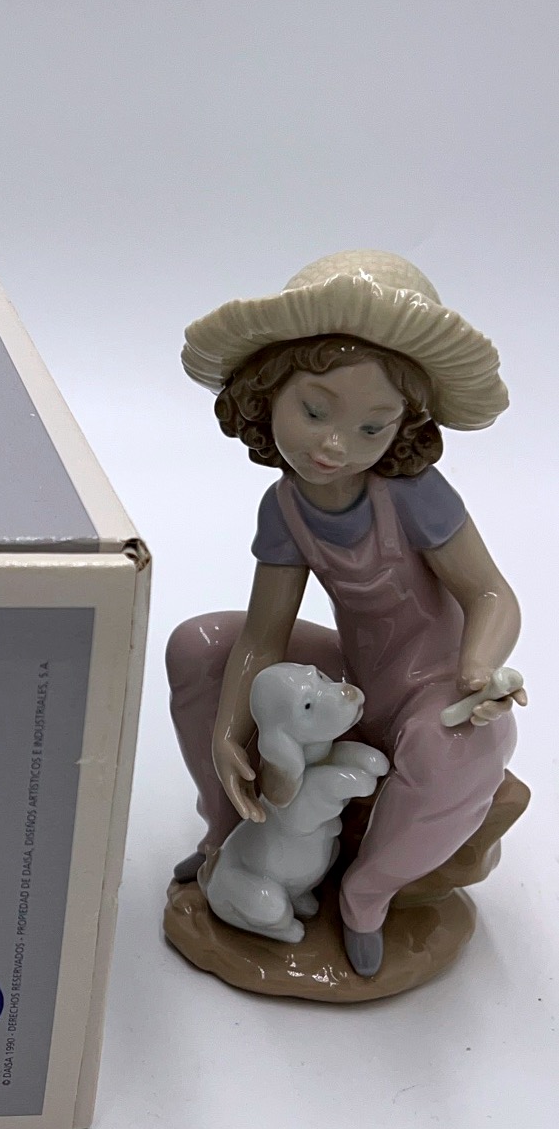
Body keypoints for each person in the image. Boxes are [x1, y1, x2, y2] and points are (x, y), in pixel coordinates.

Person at [168, 251, 525, 977]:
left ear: (401, 429)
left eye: (371, 427)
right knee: (200, 646)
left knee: (457, 747)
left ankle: (368, 894)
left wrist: (479, 668)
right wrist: (228, 731)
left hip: (431, 686)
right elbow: (262, 636)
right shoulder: (285, 506)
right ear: (266, 394)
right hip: (354, 677)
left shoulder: (413, 494)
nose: (335, 445)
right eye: (314, 411)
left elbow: (490, 593)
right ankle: (228, 831)